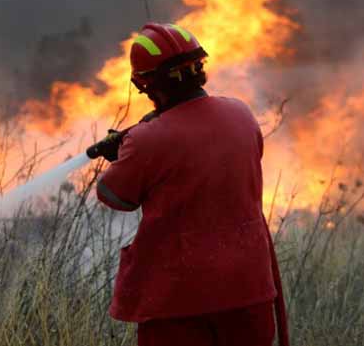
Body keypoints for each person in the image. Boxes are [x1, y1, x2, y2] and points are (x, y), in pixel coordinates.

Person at [95, 23, 289, 346]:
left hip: (177, 300)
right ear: (200, 69)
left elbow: (114, 195)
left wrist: (121, 154)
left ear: (146, 84)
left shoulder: (146, 140)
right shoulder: (241, 114)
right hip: (249, 289)